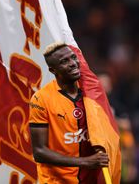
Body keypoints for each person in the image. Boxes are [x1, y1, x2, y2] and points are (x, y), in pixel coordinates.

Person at [29, 42, 110, 184]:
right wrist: (85, 161)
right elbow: (39, 152)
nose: (73, 63)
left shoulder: (90, 92)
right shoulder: (40, 99)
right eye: (64, 61)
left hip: (90, 178)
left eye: (73, 57)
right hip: (56, 181)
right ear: (53, 70)